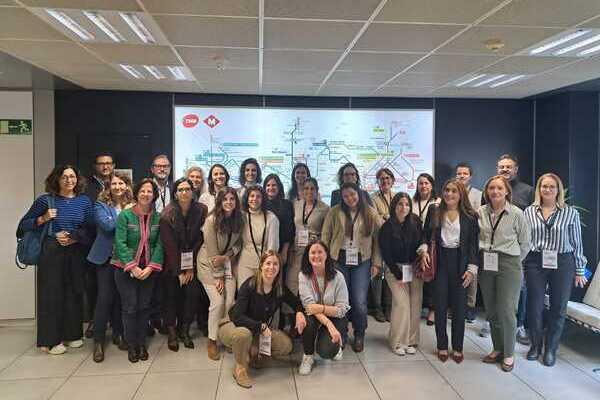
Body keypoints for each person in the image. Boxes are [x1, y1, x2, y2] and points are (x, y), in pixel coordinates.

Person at [17, 165, 94, 355]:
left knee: (74, 292)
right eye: (64, 177)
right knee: (51, 295)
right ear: (57, 180)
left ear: (78, 179)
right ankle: (50, 341)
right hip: (51, 252)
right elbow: (22, 226)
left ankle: (72, 335)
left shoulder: (84, 202)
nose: (69, 180)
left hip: (76, 251)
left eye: (72, 176)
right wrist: (43, 219)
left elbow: (91, 229)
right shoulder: (45, 200)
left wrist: (75, 236)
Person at [523, 173, 587, 366]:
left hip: (562, 262)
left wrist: (580, 270)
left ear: (558, 189)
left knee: (558, 307)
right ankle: (535, 345)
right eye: (544, 186)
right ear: (539, 189)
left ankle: (551, 349)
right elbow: (525, 240)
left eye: (552, 186)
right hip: (535, 261)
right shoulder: (529, 211)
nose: (547, 190)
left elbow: (577, 243)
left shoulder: (570, 213)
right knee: (534, 306)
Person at [218, 251, 306, 389]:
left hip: (256, 329)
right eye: (268, 263)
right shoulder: (250, 285)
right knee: (243, 335)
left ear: (279, 268)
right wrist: (261, 327)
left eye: (275, 264)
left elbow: (296, 302)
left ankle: (253, 351)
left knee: (286, 345)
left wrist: (300, 313)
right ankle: (240, 368)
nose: (271, 267)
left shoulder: (279, 288)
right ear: (261, 266)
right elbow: (237, 316)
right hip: (233, 324)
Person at [421, 179, 479, 364]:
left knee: (459, 308)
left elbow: (473, 245)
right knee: (439, 306)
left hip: (461, 264)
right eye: (446, 190)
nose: (449, 194)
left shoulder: (470, 216)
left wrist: (471, 269)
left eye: (454, 191)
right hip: (440, 262)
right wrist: (423, 251)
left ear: (461, 194)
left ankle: (458, 347)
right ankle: (442, 345)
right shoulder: (434, 210)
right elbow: (425, 235)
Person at [478, 175, 530, 372]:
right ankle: (497, 348)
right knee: (491, 310)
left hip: (509, 264)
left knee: (507, 310)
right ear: (487, 191)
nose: (495, 191)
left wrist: (514, 261)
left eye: (499, 188)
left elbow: (525, 243)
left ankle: (509, 353)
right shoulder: (480, 212)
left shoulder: (517, 213)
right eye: (491, 188)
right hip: (486, 262)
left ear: (507, 191)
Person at [322, 182, 381, 352]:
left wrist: (377, 263)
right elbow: (326, 235)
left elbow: (379, 238)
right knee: (341, 300)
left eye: (352, 195)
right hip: (338, 260)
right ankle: (342, 333)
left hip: (362, 262)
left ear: (359, 194)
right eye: (346, 196)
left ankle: (360, 333)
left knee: (359, 301)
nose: (350, 198)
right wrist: (325, 261)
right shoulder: (334, 212)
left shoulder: (370, 212)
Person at [113, 178, 163, 363]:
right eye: (142, 190)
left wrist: (150, 267)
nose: (146, 194)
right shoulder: (125, 216)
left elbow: (160, 245)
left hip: (149, 270)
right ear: (136, 193)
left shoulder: (158, 217)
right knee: (130, 307)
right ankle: (131, 344)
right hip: (125, 270)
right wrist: (133, 267)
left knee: (144, 307)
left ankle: (141, 343)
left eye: (150, 191)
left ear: (154, 195)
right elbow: (120, 243)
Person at [87, 172, 133, 362]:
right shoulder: (100, 205)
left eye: (121, 183)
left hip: (124, 258)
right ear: (108, 186)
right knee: (105, 298)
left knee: (121, 299)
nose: (118, 187)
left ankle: (119, 334)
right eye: (114, 184)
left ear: (127, 186)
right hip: (105, 258)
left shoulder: (132, 203)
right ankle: (98, 341)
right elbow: (107, 227)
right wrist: (126, 213)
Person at [159, 178, 208, 352]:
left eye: (187, 189)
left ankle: (185, 330)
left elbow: (201, 238)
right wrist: (179, 270)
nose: (184, 192)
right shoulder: (167, 214)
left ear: (193, 191)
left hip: (193, 261)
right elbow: (170, 246)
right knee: (171, 296)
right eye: (180, 190)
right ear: (175, 193)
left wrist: (189, 267)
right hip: (171, 263)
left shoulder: (201, 210)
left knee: (192, 294)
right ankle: (172, 331)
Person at [198, 187, 244, 360]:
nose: (229, 202)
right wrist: (218, 277)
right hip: (208, 265)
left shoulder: (240, 219)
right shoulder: (211, 220)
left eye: (232, 199)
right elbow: (211, 251)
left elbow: (239, 243)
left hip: (226, 263)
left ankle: (226, 336)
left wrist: (228, 256)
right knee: (217, 302)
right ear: (219, 201)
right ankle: (212, 340)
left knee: (230, 301)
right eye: (225, 199)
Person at [495, 154, 534, 345]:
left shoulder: (527, 191)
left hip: (518, 250)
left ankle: (519, 325)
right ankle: (493, 320)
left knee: (520, 287)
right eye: (501, 167)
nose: (505, 170)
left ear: (516, 169)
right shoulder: (492, 188)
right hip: (495, 250)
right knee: (494, 286)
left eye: (508, 167)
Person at [378, 192, 424, 356]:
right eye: (400, 204)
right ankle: (397, 341)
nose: (403, 207)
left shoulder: (416, 222)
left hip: (414, 268)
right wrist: (399, 275)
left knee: (415, 304)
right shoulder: (387, 227)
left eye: (406, 204)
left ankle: (411, 340)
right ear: (394, 206)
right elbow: (386, 255)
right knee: (402, 304)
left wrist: (422, 252)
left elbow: (422, 241)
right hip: (395, 269)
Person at [298, 240, 350, 375]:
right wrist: (328, 324)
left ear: (326, 254)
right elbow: (309, 307)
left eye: (320, 252)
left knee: (326, 352)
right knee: (307, 320)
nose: (316, 256)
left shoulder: (338, 277)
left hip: (335, 316)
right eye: (313, 253)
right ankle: (308, 356)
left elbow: (342, 309)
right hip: (316, 316)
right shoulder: (303, 276)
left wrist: (320, 308)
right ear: (308, 256)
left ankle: (338, 345)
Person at [287, 178, 330, 329]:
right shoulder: (296, 205)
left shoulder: (325, 209)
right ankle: (294, 321)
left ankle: (310, 321)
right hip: (296, 250)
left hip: (313, 253)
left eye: (312, 188)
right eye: (306, 188)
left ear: (317, 190)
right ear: (302, 190)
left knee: (310, 285)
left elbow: (326, 234)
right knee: (292, 285)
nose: (309, 191)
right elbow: (292, 227)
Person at [83, 152, 115, 339]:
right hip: (93, 242)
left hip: (119, 245)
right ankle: (96, 323)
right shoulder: (86, 186)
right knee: (95, 287)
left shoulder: (120, 184)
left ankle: (117, 326)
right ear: (95, 166)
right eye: (101, 163)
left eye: (108, 163)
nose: (105, 166)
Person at [237, 185, 280, 289]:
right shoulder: (241, 216)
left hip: (264, 264)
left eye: (258, 196)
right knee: (244, 294)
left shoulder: (271, 218)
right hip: (245, 263)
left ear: (263, 199)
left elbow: (272, 246)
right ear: (247, 199)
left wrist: (268, 265)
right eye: (252, 196)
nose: (254, 199)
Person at [412, 172, 440, 326]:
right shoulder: (411, 201)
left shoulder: (438, 202)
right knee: (416, 275)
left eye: (426, 183)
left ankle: (432, 310)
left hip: (431, 244)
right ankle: (417, 306)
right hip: (413, 242)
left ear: (431, 185)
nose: (423, 186)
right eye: (420, 183)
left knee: (431, 277)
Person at [456, 162, 482, 323]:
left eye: (465, 173)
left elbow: (479, 215)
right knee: (457, 272)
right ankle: (457, 305)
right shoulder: (452, 191)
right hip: (454, 238)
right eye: (459, 173)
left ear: (470, 176)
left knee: (471, 272)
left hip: (471, 237)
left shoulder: (478, 194)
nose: (461, 176)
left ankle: (470, 306)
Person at [369, 168, 395, 323]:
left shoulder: (397, 196)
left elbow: (401, 216)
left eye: (387, 178)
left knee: (391, 273)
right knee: (377, 274)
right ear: (378, 182)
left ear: (392, 180)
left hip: (394, 242)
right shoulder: (372, 198)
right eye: (381, 179)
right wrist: (388, 218)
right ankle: (377, 308)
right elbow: (375, 218)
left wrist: (386, 216)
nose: (384, 181)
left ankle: (389, 307)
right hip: (378, 240)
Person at [263, 173, 295, 267]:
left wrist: (284, 251)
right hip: (263, 247)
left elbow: (289, 230)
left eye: (274, 185)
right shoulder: (261, 205)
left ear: (279, 187)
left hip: (281, 248)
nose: (271, 188)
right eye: (268, 185)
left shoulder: (287, 204)